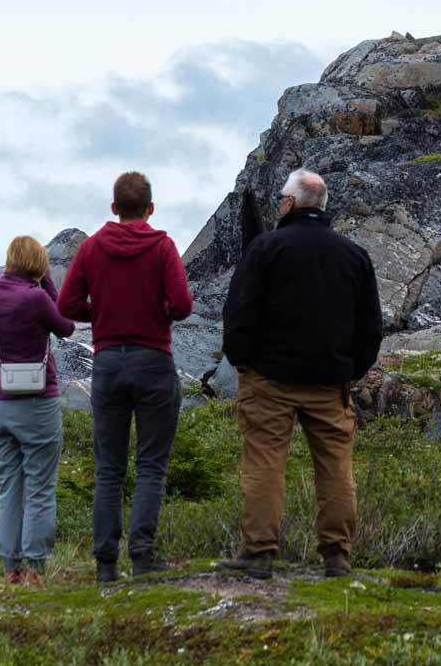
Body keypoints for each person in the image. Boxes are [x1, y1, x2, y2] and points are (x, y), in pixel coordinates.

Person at [217, 168, 383, 580]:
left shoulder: (264, 249)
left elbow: (238, 314)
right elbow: (371, 327)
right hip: (331, 384)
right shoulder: (354, 255)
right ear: (322, 206)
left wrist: (243, 362)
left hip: (268, 381)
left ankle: (258, 554)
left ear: (289, 204)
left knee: (264, 466)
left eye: (281, 199)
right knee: (335, 468)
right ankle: (337, 556)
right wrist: (350, 369)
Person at [58, 172, 194, 583]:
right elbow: (183, 305)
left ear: (114, 208)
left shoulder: (92, 248)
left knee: (109, 469)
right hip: (153, 359)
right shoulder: (163, 247)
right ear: (150, 209)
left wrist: (98, 315)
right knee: (151, 465)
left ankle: (104, 565)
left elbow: (66, 304)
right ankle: (143, 556)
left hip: (109, 363)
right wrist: (158, 312)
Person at [0, 236, 77, 585]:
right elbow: (66, 327)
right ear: (37, 265)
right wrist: (47, 282)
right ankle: (35, 567)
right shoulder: (36, 298)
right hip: (37, 401)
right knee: (39, 487)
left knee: (9, 487)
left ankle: (10, 568)